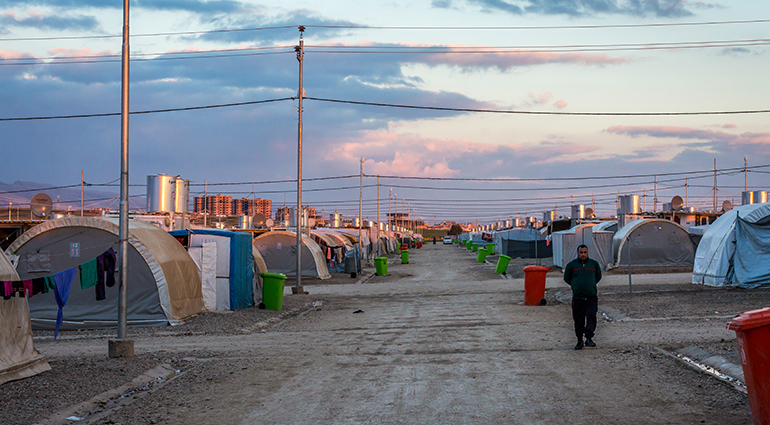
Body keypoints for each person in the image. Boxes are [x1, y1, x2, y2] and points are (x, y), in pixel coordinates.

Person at [563, 244, 602, 350]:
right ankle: (579, 340)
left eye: (585, 252)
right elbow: (567, 278)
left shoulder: (594, 264)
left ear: (588, 253)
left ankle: (589, 338)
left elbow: (598, 276)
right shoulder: (572, 265)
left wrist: (591, 285)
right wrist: (575, 286)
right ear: (577, 253)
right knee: (578, 320)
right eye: (581, 252)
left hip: (591, 297)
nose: (583, 254)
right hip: (578, 298)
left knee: (591, 316)